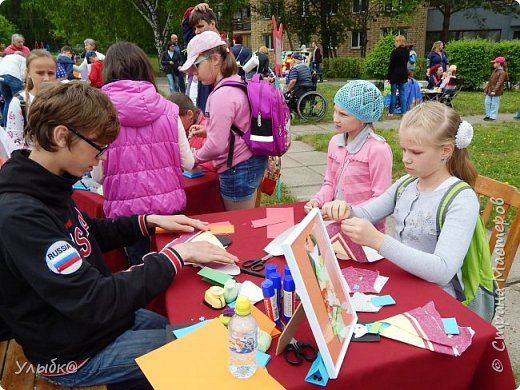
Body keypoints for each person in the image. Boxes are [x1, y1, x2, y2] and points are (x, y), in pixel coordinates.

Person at [0, 81, 238, 388]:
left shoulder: (47, 182)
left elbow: (88, 231)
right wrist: (176, 256)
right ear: (61, 136)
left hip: (100, 326)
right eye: (99, 148)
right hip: (74, 352)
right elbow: (94, 298)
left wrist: (149, 221)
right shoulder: (21, 215)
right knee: (201, 350)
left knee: (187, 327)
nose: (102, 158)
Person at [322, 101, 480, 299]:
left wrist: (378, 241)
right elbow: (368, 214)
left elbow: (442, 271)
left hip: (434, 297)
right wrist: (345, 209)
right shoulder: (407, 183)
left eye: (416, 152)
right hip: (398, 281)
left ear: (446, 151)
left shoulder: (461, 199)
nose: (406, 158)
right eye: (404, 149)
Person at [99, 41, 195, 265]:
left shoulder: (99, 114)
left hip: (128, 216)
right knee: (174, 267)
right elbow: (188, 161)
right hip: (169, 209)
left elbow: (97, 173)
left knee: (140, 273)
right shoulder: (170, 110)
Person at [179, 31, 267, 211]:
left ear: (215, 59)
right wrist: (207, 130)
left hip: (237, 169)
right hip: (251, 161)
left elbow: (217, 146)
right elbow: (237, 126)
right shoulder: (236, 82)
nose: (194, 74)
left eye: (196, 66)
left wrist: (192, 159)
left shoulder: (221, 95)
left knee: (240, 227)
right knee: (246, 221)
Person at [304, 80, 392, 232]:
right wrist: (317, 201)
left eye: (343, 114)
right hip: (336, 223)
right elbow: (330, 183)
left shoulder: (378, 150)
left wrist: (348, 211)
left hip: (365, 231)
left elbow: (382, 199)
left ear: (363, 118)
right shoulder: (335, 142)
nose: (335, 118)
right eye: (335, 111)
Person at [5, 49, 57, 151]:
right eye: (40, 73)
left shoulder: (62, 99)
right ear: (28, 73)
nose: (46, 78)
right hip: (30, 161)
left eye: (51, 73)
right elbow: (14, 141)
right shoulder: (20, 102)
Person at [182, 3, 219, 111]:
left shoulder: (223, 46)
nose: (197, 31)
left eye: (200, 26)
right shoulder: (197, 42)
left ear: (212, 24)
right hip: (197, 99)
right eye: (194, 28)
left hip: (214, 102)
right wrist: (193, 11)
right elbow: (186, 28)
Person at [0, 52, 25, 127]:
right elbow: (23, 73)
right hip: (14, 77)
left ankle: (6, 125)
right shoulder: (23, 59)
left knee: (8, 102)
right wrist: (23, 83)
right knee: (18, 102)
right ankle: (18, 125)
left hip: (1, 77)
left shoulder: (7, 57)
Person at [387, 35, 409, 115]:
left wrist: (388, 76)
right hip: (403, 74)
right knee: (402, 94)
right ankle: (404, 112)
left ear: (397, 42)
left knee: (393, 94)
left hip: (395, 74)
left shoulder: (394, 52)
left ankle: (391, 112)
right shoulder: (407, 52)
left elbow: (391, 65)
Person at [483, 56, 508, 121]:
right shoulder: (494, 71)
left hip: (496, 92)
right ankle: (488, 115)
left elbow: (499, 83)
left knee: (494, 104)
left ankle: (493, 117)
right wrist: (486, 90)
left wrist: (494, 91)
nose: (493, 64)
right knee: (487, 102)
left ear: (499, 63)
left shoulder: (502, 72)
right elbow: (490, 81)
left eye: (494, 63)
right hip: (489, 90)